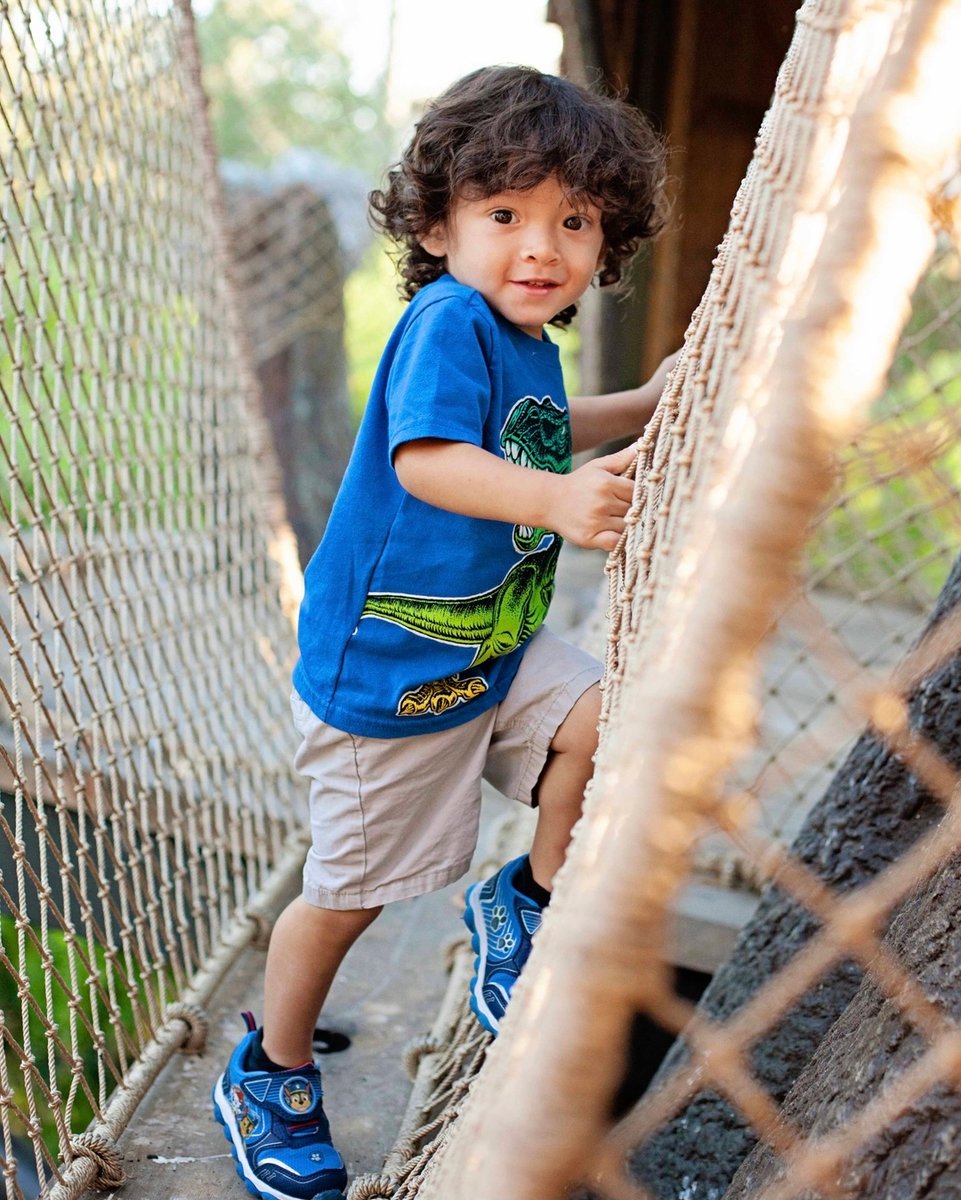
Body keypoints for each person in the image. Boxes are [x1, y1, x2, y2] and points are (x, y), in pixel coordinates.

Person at [213, 63, 673, 1200]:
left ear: (604, 245)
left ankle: (525, 895)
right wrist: (564, 500)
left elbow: (531, 428)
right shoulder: (446, 317)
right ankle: (268, 1067)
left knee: (605, 715)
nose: (541, 246)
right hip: (392, 676)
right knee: (350, 893)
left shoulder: (519, 343)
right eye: (505, 213)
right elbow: (432, 461)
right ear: (437, 225)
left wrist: (651, 403)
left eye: (575, 221)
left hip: (491, 651)